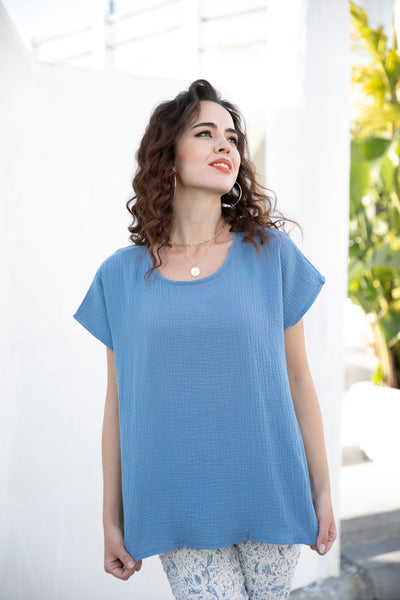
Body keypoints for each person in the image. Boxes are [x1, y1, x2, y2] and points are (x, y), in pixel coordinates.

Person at [73, 79, 337, 600]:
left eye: (232, 138)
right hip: (176, 501)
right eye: (205, 133)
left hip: (271, 490)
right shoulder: (119, 276)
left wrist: (324, 491)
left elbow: (299, 379)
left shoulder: (271, 255)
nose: (225, 145)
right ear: (168, 155)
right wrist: (111, 518)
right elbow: (118, 404)